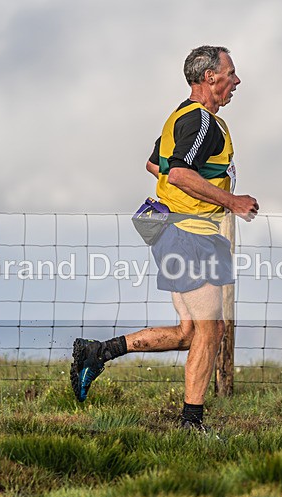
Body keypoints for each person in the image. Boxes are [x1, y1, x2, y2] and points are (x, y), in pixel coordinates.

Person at [70, 45, 258, 431]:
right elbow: (177, 174)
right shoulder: (202, 120)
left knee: (191, 332)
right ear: (210, 77)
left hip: (173, 229)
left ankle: (97, 353)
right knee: (211, 330)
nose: (236, 81)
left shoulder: (182, 116)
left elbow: (155, 163)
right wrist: (231, 201)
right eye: (231, 73)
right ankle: (192, 423)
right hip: (190, 233)